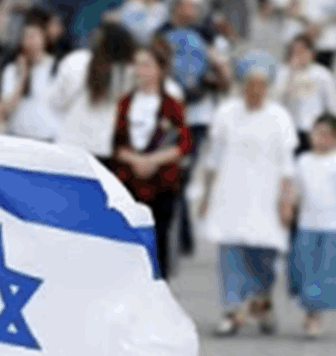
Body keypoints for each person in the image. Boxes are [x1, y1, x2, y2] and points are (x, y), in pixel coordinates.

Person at [197, 53, 297, 336]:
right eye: (250, 85)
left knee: (264, 253)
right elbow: (214, 159)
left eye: (261, 86)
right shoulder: (226, 113)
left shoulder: (279, 118)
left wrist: (286, 199)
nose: (255, 91)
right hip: (231, 193)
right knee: (230, 251)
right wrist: (206, 196)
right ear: (242, 87)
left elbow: (288, 166)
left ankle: (262, 302)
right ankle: (232, 310)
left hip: (267, 197)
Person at [109, 44, 191, 277]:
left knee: (159, 238)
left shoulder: (171, 104)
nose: (140, 70)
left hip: (161, 183)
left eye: (146, 65)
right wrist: (134, 159)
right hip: (129, 180)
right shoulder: (124, 102)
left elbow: (183, 143)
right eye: (137, 64)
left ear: (159, 70)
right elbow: (116, 142)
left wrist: (153, 160)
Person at [288, 113, 336, 338]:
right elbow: (295, 191)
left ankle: (314, 316)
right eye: (317, 133)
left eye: (327, 135)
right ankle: (310, 310)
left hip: (331, 228)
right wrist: (288, 208)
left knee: (324, 273)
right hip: (307, 226)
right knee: (304, 270)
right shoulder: (303, 161)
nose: (320, 139)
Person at [48, 24, 135, 159]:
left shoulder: (76, 61)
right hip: (101, 148)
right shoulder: (129, 73)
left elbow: (55, 101)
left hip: (69, 143)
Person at [0, 14, 61, 142]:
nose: (29, 41)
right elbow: (5, 109)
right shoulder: (12, 69)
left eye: (34, 36)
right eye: (25, 37)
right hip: (16, 135)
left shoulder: (55, 68)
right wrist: (23, 77)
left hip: (46, 138)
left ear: (44, 39)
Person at [272, 33, 336, 154]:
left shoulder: (322, 74)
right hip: (288, 129)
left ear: (311, 53)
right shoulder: (283, 72)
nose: (299, 55)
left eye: (303, 51)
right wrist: (292, 74)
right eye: (295, 51)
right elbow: (277, 102)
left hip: (311, 131)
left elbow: (333, 106)